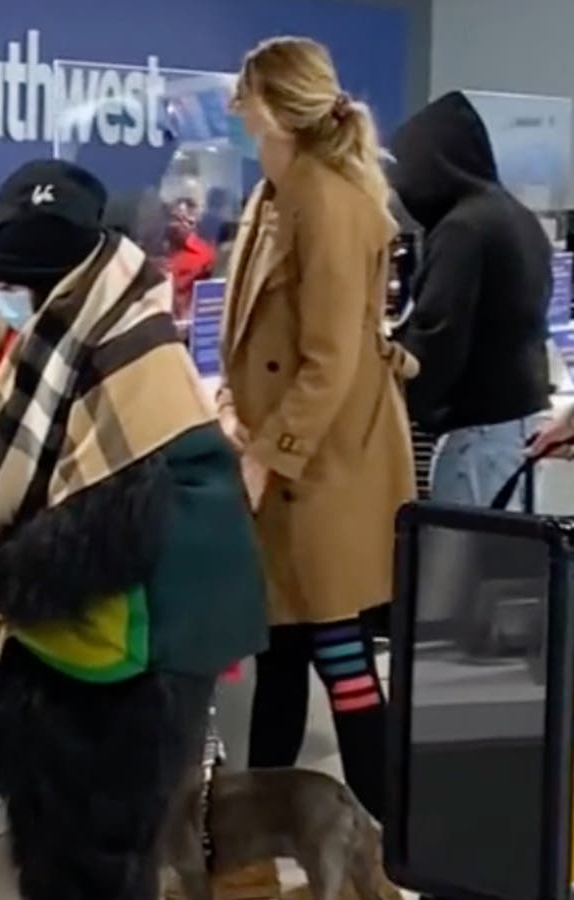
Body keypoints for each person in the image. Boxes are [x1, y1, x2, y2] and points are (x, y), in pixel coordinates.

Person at [0, 159, 267, 900]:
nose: (2, 296)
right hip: (83, 598)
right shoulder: (53, 322)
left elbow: (117, 513)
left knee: (90, 844)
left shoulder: (134, 348)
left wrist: (5, 582)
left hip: (147, 623)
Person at [219, 36, 416, 830]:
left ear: (269, 106)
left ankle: (386, 834)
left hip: (325, 472)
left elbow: (330, 359)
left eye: (244, 94)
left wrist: (268, 457)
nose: (235, 108)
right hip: (294, 463)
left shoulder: (330, 202)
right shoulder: (279, 191)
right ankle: (259, 838)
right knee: (281, 651)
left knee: (336, 653)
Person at [389, 91, 553, 506]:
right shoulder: (517, 217)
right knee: (510, 566)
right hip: (520, 425)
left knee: (461, 569)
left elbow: (439, 333)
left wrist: (401, 401)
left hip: (477, 437)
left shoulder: (462, 229)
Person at [167, 196, 217, 320]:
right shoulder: (155, 249)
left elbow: (210, 298)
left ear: (193, 223)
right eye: (175, 219)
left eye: (186, 220)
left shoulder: (207, 255)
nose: (177, 225)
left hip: (190, 323)